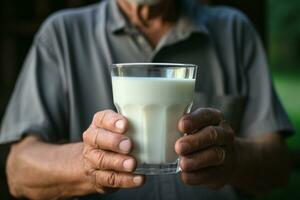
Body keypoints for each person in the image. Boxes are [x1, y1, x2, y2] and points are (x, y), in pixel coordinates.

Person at [0, 0, 295, 199]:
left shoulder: (234, 30)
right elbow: (18, 170)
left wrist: (233, 158)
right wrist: (87, 163)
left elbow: (279, 166)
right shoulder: (61, 34)